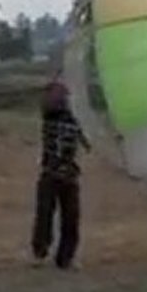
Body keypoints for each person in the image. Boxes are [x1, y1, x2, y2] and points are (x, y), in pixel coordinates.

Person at [32, 80, 90, 270]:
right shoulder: (50, 117)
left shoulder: (74, 121)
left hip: (69, 176)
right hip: (50, 174)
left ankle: (66, 258)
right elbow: (47, 104)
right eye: (59, 94)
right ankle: (39, 253)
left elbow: (88, 143)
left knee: (71, 219)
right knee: (44, 216)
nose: (63, 97)